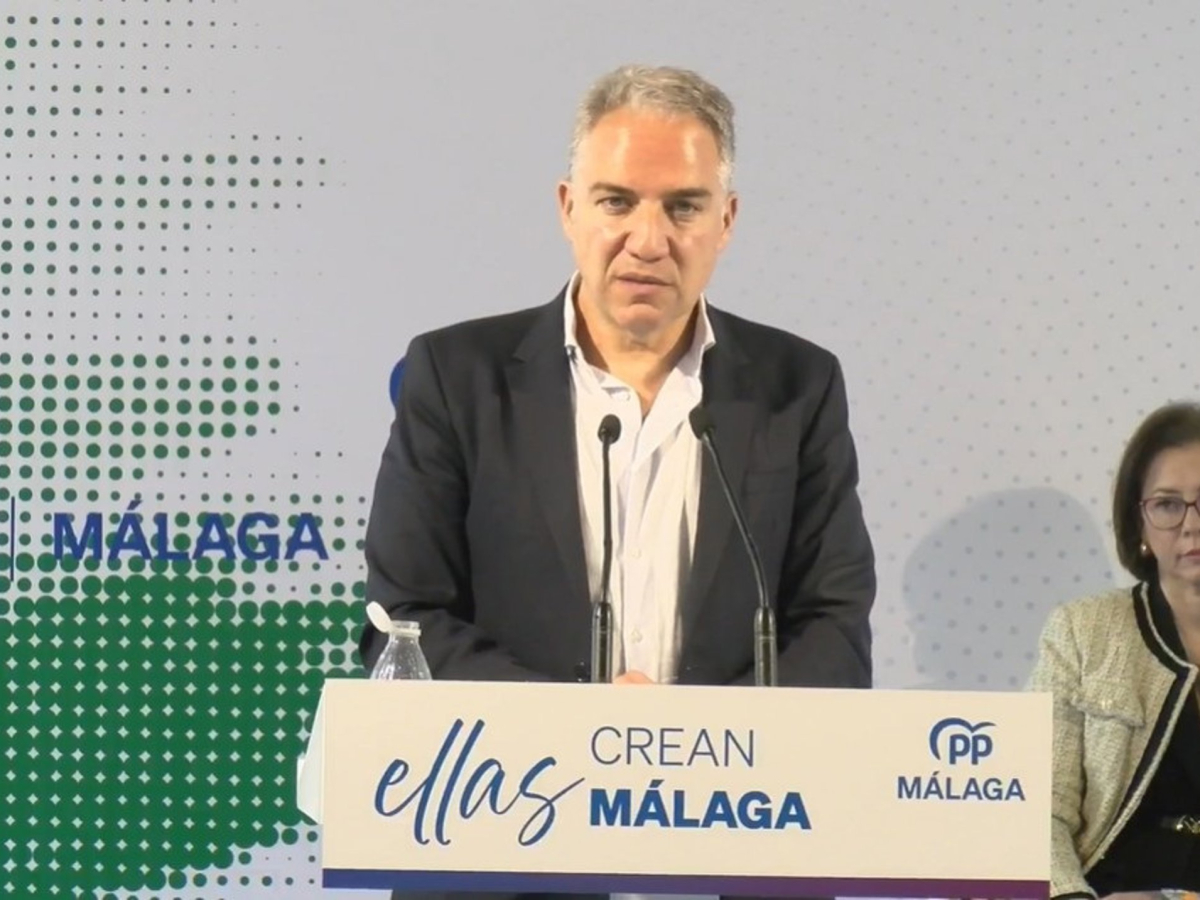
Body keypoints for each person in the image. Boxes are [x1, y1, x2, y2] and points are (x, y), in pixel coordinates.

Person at [359, 63, 875, 691]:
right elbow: (404, 618)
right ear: (568, 208)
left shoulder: (797, 387)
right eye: (617, 202)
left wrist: (692, 729)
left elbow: (833, 630)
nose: (648, 240)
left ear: (726, 221)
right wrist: (587, 726)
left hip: (729, 756)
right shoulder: (457, 377)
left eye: (684, 207)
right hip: (516, 754)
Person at [1029, 401, 1200, 899]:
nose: (1191, 525)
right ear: (1138, 522)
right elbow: (1039, 809)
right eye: (1167, 504)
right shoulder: (1083, 631)